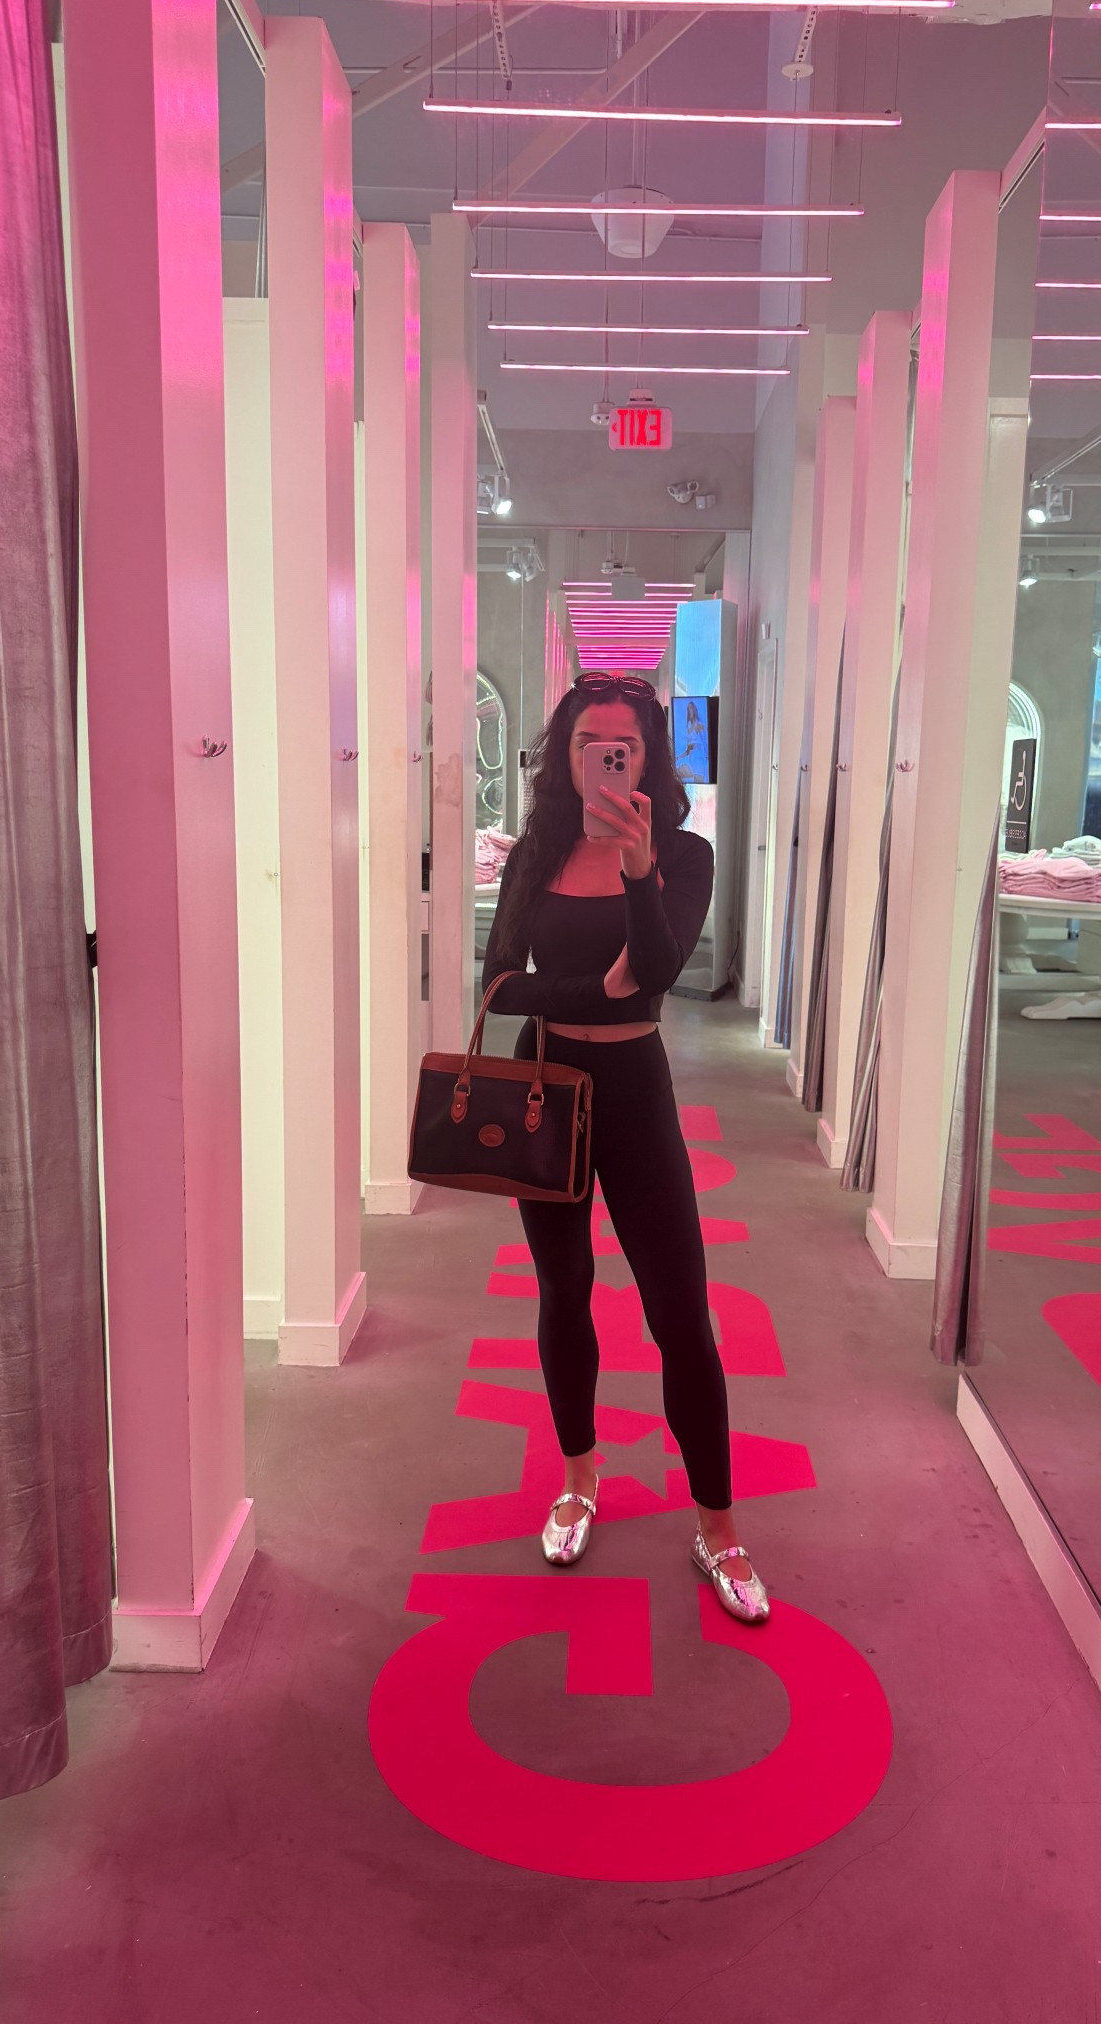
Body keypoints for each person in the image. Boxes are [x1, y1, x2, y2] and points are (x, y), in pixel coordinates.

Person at [481, 672, 768, 1625]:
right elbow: (498, 987)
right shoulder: (535, 852)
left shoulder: (682, 855)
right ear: (564, 756)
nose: (605, 758)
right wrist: (585, 993)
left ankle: (718, 1528)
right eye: (588, 744)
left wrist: (640, 876)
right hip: (545, 1086)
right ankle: (578, 1479)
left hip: (637, 1091)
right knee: (563, 1288)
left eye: (625, 745)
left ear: (648, 758)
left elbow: (656, 974)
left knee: (679, 1310)